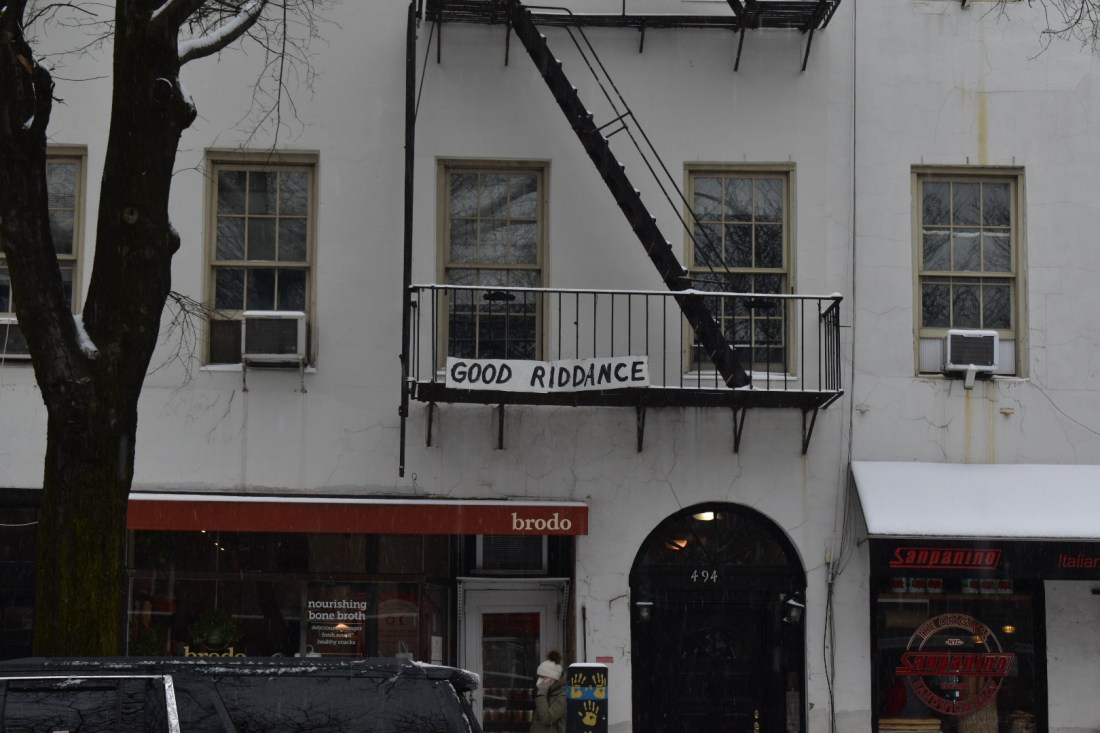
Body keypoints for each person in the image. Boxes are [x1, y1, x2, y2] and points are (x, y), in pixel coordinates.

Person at [530, 650, 566, 733]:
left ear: (553, 678)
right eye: (539, 677)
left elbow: (547, 718)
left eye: (543, 677)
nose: (540, 680)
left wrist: (541, 694)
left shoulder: (562, 696)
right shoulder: (548, 693)